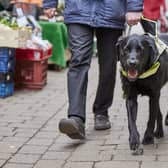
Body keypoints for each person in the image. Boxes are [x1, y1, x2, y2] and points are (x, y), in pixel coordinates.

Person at [43, 0, 143, 139]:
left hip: (112, 9)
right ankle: (76, 118)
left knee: (108, 64)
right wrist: (49, 3)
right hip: (78, 8)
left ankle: (102, 111)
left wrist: (134, 6)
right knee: (78, 60)